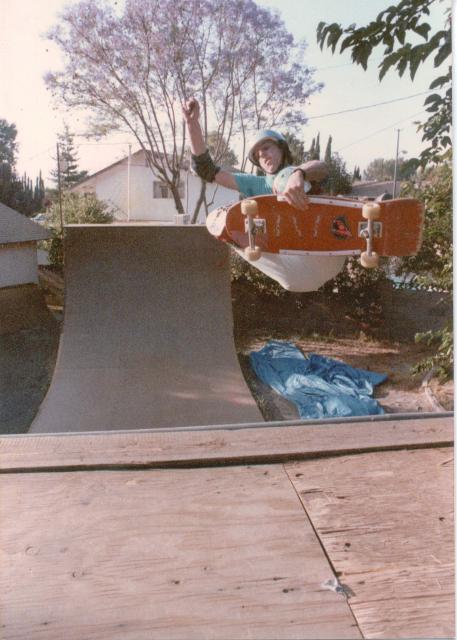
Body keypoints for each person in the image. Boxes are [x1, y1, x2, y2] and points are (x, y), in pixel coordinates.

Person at [182, 98, 328, 210]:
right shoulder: (255, 184)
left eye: (266, 148)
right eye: (258, 156)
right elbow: (205, 169)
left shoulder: (303, 174)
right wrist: (191, 124)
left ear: (281, 149)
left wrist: (299, 174)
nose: (262, 155)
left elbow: (323, 167)